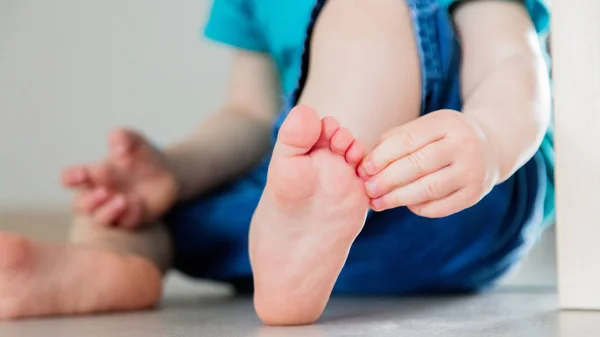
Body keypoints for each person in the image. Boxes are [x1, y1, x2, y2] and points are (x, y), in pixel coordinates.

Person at [0, 0, 553, 326]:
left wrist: (488, 140)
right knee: (126, 204)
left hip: (446, 191)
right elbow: (247, 115)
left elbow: (513, 69)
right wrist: (173, 172)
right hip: (288, 227)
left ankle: (315, 204)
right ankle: (111, 265)